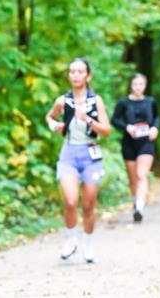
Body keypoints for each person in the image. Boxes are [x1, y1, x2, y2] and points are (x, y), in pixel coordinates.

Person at [44, 58, 112, 264]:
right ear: (68, 75)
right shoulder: (62, 101)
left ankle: (88, 246)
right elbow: (50, 117)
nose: (75, 75)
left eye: (80, 71)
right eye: (72, 71)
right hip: (69, 154)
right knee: (71, 200)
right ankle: (71, 239)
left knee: (88, 205)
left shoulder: (95, 101)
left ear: (88, 76)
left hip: (91, 154)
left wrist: (88, 119)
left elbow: (106, 131)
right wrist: (54, 126)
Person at [111, 73, 159, 222]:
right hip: (129, 142)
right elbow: (115, 120)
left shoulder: (150, 101)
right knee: (133, 178)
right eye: (135, 84)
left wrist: (155, 128)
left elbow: (156, 117)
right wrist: (127, 127)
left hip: (146, 142)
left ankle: (139, 207)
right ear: (131, 85)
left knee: (141, 175)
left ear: (145, 85)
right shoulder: (123, 102)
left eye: (141, 84)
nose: (138, 87)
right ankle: (136, 201)